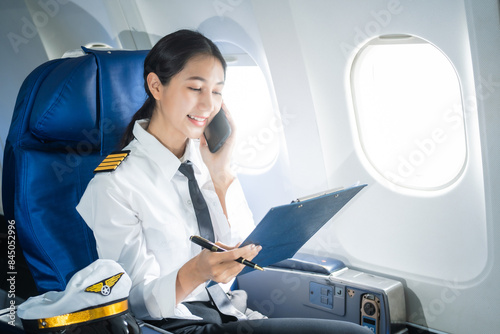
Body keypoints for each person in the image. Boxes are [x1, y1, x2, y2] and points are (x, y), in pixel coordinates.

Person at [77, 29, 372, 334]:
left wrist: (221, 173)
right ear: (156, 86)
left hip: (230, 311)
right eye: (195, 88)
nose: (208, 105)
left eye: (217, 92)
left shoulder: (206, 158)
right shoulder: (115, 184)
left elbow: (243, 250)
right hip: (173, 326)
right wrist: (193, 273)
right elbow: (132, 304)